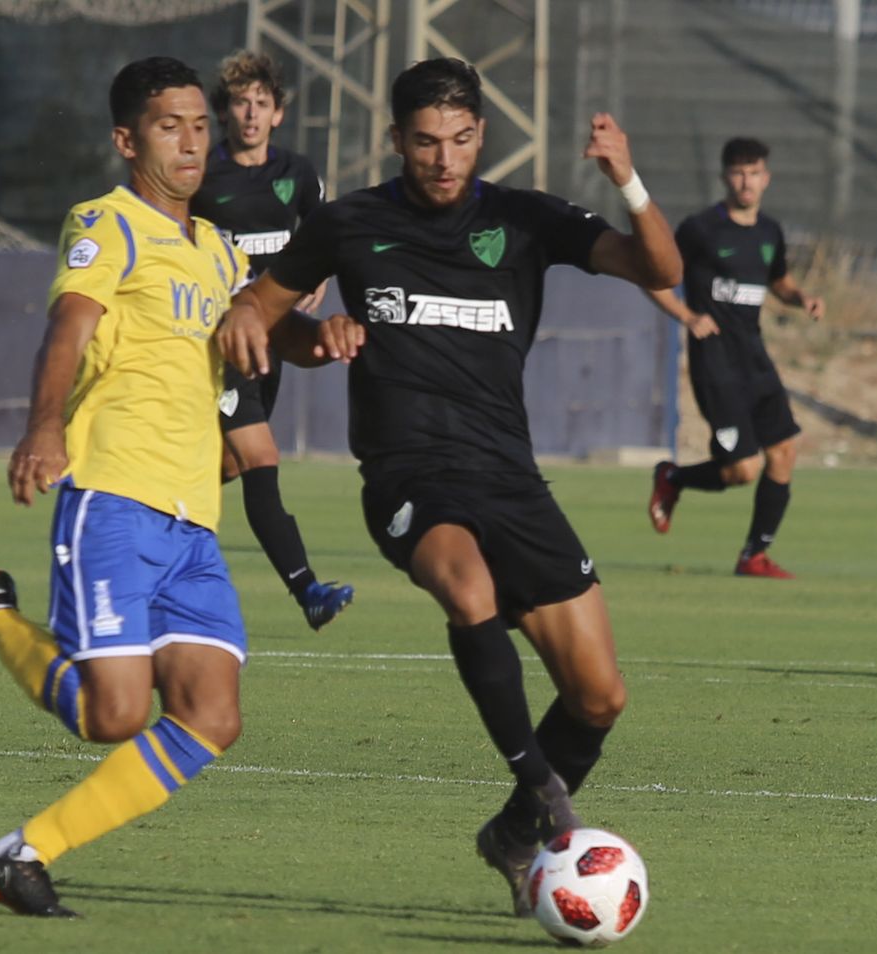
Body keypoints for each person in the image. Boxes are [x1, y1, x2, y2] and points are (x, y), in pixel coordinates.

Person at [216, 58, 682, 917]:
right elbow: (255, 312)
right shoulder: (349, 223)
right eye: (426, 141)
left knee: (599, 696)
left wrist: (629, 180)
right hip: (408, 474)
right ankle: (543, 791)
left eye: (461, 140)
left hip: (511, 477)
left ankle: (510, 835)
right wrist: (308, 336)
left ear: (480, 139)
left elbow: (661, 267)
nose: (444, 158)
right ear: (397, 140)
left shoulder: (525, 219)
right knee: (466, 589)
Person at [0, 57, 254, 918]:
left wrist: (330, 334)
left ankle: (17, 855)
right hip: (113, 497)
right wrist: (44, 425)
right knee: (112, 715)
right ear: (126, 138)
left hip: (192, 521)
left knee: (211, 716)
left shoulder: (218, 249)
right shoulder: (107, 223)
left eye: (199, 125)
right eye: (169, 125)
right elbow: (69, 327)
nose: (189, 142)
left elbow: (255, 340)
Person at [189, 50, 353, 631]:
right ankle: (307, 589)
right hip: (222, 341)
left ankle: (129, 518)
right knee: (260, 457)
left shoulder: (298, 174)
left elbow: (327, 234)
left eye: (262, 103)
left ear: (278, 113)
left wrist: (322, 275)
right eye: (240, 102)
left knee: (225, 468)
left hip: (274, 341)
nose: (251, 113)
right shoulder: (203, 176)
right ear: (225, 110)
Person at [645, 137, 824, 579]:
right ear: (725, 176)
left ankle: (754, 556)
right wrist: (686, 315)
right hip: (716, 364)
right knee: (742, 469)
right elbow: (652, 274)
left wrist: (801, 297)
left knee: (783, 452)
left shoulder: (769, 232)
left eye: (755, 172)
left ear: (767, 178)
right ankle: (674, 478)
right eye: (739, 172)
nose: (747, 181)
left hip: (756, 360)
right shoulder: (701, 229)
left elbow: (778, 280)